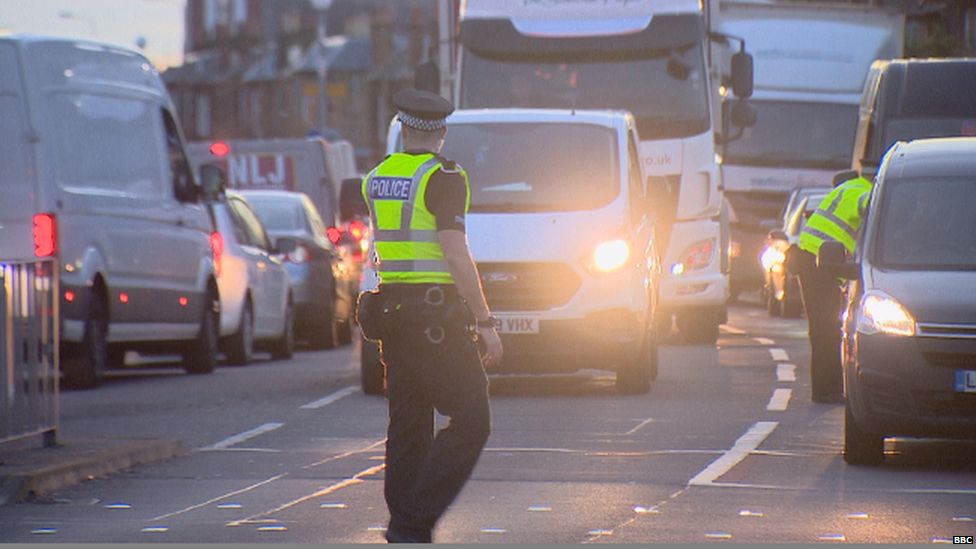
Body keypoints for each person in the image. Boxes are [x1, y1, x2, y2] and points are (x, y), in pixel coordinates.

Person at [361, 89, 504, 543]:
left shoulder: (378, 176)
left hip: (393, 313)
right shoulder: (444, 177)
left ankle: (404, 524)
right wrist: (485, 322)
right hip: (435, 318)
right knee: (473, 420)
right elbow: (455, 254)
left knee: (409, 425)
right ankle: (412, 521)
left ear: (404, 129)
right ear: (441, 131)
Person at [789, 173, 873, 403]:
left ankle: (826, 390)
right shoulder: (868, 197)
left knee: (823, 329)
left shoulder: (853, 186)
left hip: (810, 256)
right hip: (820, 261)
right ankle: (826, 391)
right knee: (826, 329)